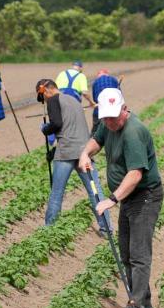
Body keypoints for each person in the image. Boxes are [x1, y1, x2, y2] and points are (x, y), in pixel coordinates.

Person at [78, 88, 163, 308]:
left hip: (144, 196)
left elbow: (135, 175)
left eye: (114, 117)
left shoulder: (133, 132)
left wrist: (112, 199)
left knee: (138, 253)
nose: (110, 122)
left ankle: (136, 306)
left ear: (125, 109)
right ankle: (143, 303)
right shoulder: (108, 122)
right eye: (106, 118)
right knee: (126, 252)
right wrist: (86, 153)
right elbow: (97, 140)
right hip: (128, 197)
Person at [35, 79, 112, 231]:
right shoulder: (74, 100)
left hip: (66, 153)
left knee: (57, 192)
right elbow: (70, 127)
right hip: (84, 152)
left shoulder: (52, 100)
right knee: (95, 191)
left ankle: (50, 229)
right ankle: (106, 229)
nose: (44, 100)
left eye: (42, 96)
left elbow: (56, 124)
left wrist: (45, 129)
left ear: (47, 90)